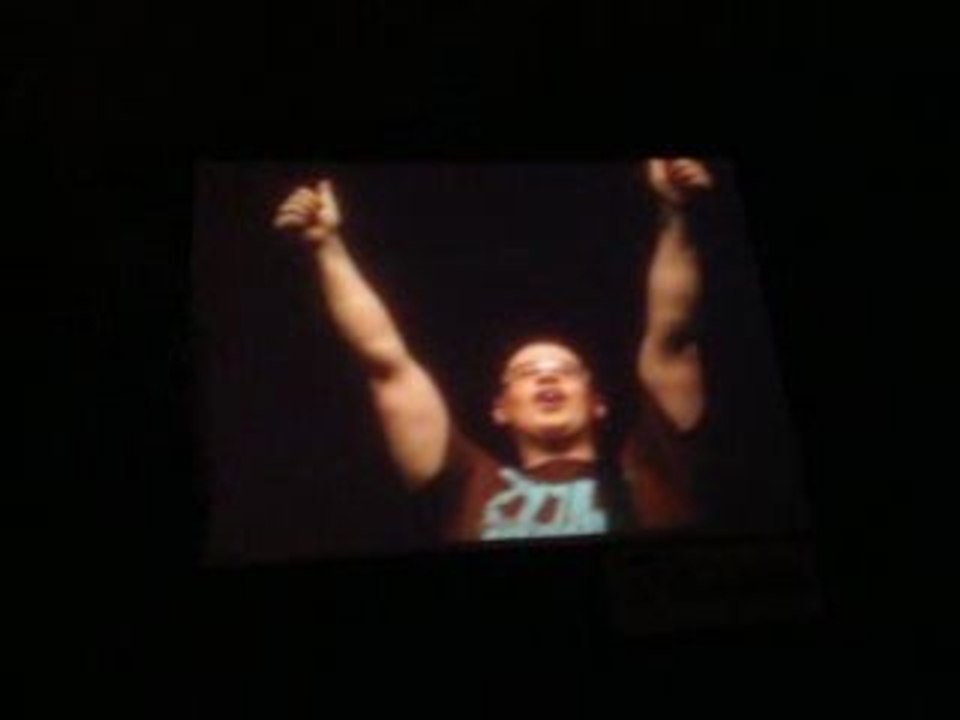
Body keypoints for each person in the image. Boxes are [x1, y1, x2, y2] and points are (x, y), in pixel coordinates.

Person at [273, 160, 715, 542]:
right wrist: (326, 246)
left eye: (565, 369)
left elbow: (672, 331)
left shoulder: (653, 467)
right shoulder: (466, 482)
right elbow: (385, 360)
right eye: (526, 372)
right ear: (500, 408)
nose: (547, 376)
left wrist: (675, 212)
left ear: (598, 403)